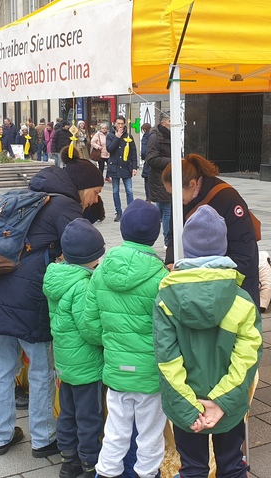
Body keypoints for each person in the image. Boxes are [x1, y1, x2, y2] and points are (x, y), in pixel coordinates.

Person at [0, 155, 104, 458]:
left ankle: (0, 435)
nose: (95, 200)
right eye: (95, 192)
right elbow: (83, 252)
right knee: (42, 369)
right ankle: (43, 438)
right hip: (28, 298)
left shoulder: (31, 195)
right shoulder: (65, 206)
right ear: (83, 187)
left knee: (1, 366)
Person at [153, 205, 262, 478]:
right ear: (223, 248)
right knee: (233, 466)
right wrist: (222, 402)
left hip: (186, 404)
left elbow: (166, 360)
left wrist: (188, 407)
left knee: (192, 469)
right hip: (229, 406)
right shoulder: (242, 300)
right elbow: (247, 359)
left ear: (187, 248)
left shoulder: (165, 299)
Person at [84, 199, 168, 478]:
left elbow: (90, 324)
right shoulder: (161, 277)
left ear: (122, 230)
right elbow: (167, 330)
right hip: (149, 374)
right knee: (151, 434)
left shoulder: (101, 272)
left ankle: (106, 473)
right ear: (155, 233)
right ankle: (147, 474)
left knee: (115, 432)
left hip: (116, 371)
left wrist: (112, 343)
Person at [43, 219, 107, 478]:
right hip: (86, 366)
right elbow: (89, 328)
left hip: (65, 363)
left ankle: (68, 460)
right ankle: (89, 462)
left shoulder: (58, 277)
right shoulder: (82, 286)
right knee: (89, 416)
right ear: (88, 258)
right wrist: (105, 339)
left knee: (67, 413)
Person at [163, 154, 261, 309]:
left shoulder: (227, 198)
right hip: (202, 278)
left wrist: (214, 275)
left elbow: (244, 251)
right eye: (171, 194)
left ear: (193, 184)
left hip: (233, 278)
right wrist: (170, 261)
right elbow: (173, 234)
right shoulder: (180, 198)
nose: (174, 199)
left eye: (176, 194)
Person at [145, 114, 173, 246]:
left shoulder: (169, 134)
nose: (173, 123)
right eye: (170, 120)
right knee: (167, 209)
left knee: (162, 209)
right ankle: (168, 241)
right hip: (160, 179)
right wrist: (173, 161)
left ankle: (153, 236)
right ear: (163, 123)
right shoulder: (155, 137)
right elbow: (151, 159)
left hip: (167, 177)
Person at [105, 116, 138, 222]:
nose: (120, 126)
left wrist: (134, 167)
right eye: (118, 123)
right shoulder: (110, 136)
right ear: (114, 124)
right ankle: (118, 212)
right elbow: (110, 149)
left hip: (126, 166)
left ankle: (130, 211)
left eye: (122, 124)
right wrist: (117, 137)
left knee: (129, 190)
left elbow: (133, 152)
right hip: (114, 166)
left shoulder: (128, 136)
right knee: (115, 191)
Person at [139, 123, 152, 201]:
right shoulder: (155, 135)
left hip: (148, 161)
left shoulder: (145, 137)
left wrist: (143, 157)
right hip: (156, 160)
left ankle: (148, 197)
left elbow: (143, 152)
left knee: (147, 180)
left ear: (144, 129)